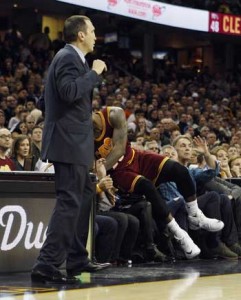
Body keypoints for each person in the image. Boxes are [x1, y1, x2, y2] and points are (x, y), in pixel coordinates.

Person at [31, 15, 108, 284]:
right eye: (93, 31)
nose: (96, 35)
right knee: (69, 202)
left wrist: (39, 107)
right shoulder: (67, 57)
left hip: (74, 141)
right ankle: (48, 264)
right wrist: (95, 73)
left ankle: (76, 257)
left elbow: (54, 92)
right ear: (81, 35)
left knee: (85, 195)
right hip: (68, 142)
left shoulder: (71, 58)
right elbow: (68, 91)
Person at [92, 106, 223, 260]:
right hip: (119, 172)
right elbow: (90, 166)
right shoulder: (82, 136)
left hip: (136, 157)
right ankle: (180, 235)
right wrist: (99, 171)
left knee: (180, 170)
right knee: (147, 186)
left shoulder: (114, 113)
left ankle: (195, 216)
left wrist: (101, 167)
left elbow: (120, 149)